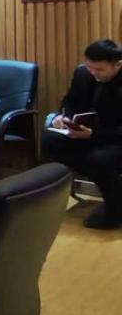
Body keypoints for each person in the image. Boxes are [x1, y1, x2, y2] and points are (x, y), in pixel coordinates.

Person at [42, 39, 122, 230]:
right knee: (51, 141)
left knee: (99, 160)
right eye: (89, 67)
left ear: (117, 64)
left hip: (114, 138)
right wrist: (63, 117)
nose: (93, 73)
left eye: (100, 69)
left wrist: (93, 135)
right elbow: (68, 101)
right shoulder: (82, 73)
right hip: (84, 132)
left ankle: (115, 208)